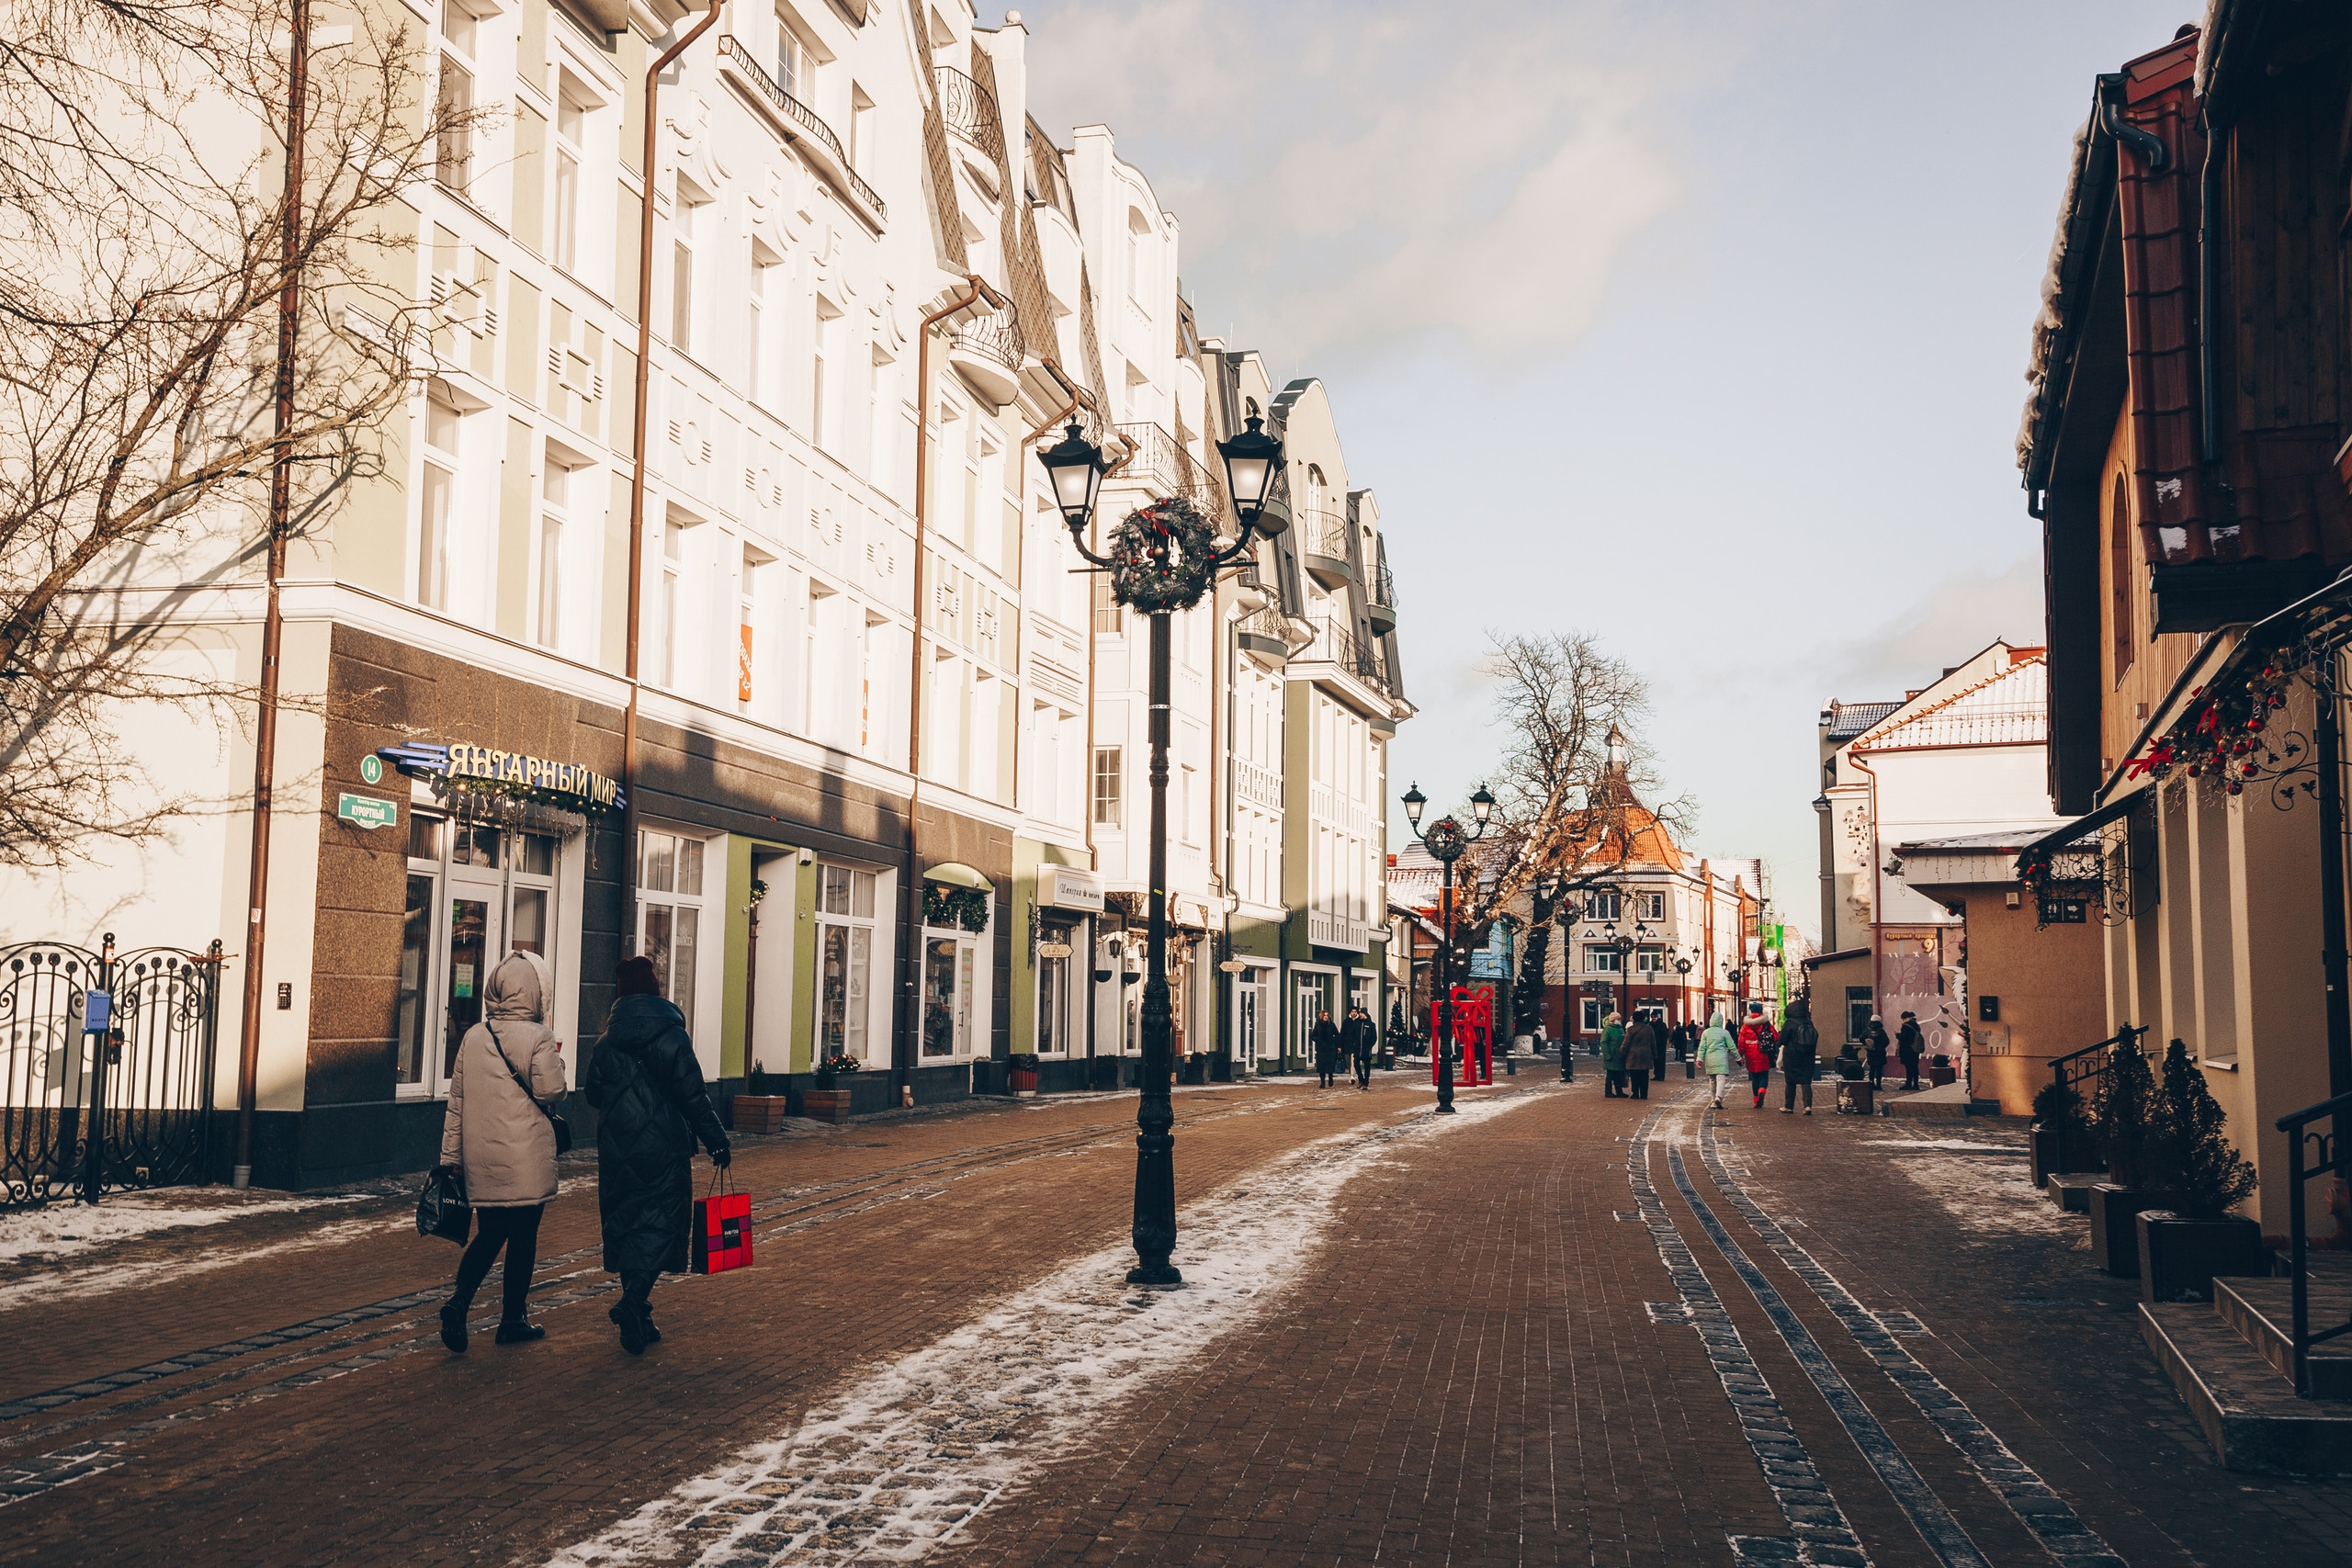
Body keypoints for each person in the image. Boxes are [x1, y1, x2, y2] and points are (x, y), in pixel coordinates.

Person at [583, 954, 731, 1355]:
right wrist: (717, 1139)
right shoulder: (673, 1038)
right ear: (655, 992)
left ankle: (640, 1314)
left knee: (628, 1227)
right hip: (664, 1150)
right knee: (664, 1227)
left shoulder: (605, 1044)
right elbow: (693, 1096)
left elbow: (593, 1094)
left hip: (618, 1151)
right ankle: (633, 1304)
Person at [436, 951, 567, 1353]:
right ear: (534, 991)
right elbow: (552, 1090)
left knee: (491, 1234)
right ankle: (512, 1319)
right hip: (525, 1159)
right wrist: (557, 1060)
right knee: (523, 1239)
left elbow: (457, 1102)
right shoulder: (538, 1036)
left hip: (481, 1158)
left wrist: (451, 1158)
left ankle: (459, 1303)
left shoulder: (474, 1036)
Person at [1778, 997, 1820, 1115]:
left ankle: (1788, 1106)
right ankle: (1807, 1106)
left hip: (1792, 1056)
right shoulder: (1808, 1022)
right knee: (1806, 1081)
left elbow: (1782, 1040)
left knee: (1790, 1081)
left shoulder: (1789, 1023)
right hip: (1808, 1056)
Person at [1738, 1003, 1777, 1111]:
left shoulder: (1745, 1026)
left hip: (1750, 1054)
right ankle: (1762, 1091)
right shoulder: (1766, 1024)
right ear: (1761, 1011)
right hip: (1764, 1053)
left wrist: (1740, 1054)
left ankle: (1756, 1100)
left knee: (1754, 1078)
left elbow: (1741, 1042)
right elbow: (1775, 1036)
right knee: (1764, 1076)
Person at [1697, 1010, 1737, 1109]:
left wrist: (1699, 1059)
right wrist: (1738, 1058)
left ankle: (1713, 1101)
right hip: (1721, 1059)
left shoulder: (1706, 1033)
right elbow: (1732, 1046)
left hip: (1710, 1059)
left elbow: (1702, 1047)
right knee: (1721, 1078)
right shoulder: (1725, 1033)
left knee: (1712, 1080)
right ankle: (1718, 1097)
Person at [1342, 1005, 1377, 1089]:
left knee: (1367, 1066)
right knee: (1356, 1064)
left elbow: (1374, 1037)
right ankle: (1361, 1079)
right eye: (1360, 1013)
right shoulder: (1357, 1024)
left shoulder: (1371, 1024)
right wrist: (1353, 1044)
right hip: (1357, 1049)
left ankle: (1366, 1082)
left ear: (1365, 1014)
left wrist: (1369, 1046)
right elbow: (1352, 1035)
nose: (1360, 1014)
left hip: (1366, 1050)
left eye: (1362, 1013)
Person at [1623, 1013, 1656, 1101]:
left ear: (1634, 1019)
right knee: (1645, 1076)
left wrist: (1622, 1053)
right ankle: (1644, 1094)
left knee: (1634, 1076)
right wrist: (1654, 1055)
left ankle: (1635, 1093)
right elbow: (1653, 1043)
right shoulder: (1649, 1029)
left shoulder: (1631, 1029)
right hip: (1646, 1055)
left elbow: (1626, 1043)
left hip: (1633, 1056)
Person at [1311, 1009, 1341, 1089]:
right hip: (1321, 1049)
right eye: (1324, 1015)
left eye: (1327, 1015)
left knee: (1330, 1065)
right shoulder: (1318, 1025)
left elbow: (1337, 1035)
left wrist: (1333, 1040)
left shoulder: (1331, 1025)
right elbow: (1313, 1036)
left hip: (1330, 1048)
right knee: (1321, 1066)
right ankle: (1322, 1082)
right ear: (1321, 1016)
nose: (1326, 1017)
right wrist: (1318, 1039)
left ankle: (1330, 1078)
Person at [1600, 1012, 1627, 1098]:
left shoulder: (1620, 1028)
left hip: (1619, 1056)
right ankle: (1608, 1092)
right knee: (1610, 1074)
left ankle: (1619, 1091)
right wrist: (1607, 1055)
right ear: (1613, 1020)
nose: (1620, 1020)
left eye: (1620, 1019)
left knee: (1618, 1074)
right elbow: (1603, 1042)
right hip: (1612, 1056)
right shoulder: (1608, 1029)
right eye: (1618, 1019)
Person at [1896, 1011, 1925, 1090]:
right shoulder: (1916, 1025)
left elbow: (1904, 1037)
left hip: (1907, 1050)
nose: (1902, 1020)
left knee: (1909, 1068)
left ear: (1905, 1018)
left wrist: (1897, 1035)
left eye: (1902, 1019)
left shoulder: (1906, 1026)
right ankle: (1916, 1084)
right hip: (1915, 1049)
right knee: (1915, 1067)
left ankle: (1908, 1084)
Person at [1863, 1015, 1891, 1089]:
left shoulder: (1867, 1030)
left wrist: (1868, 1044)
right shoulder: (1881, 1031)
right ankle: (1878, 1085)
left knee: (1872, 1069)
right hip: (1880, 1053)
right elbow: (1886, 1041)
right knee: (1879, 1070)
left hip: (1871, 1052)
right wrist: (1881, 1046)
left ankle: (1871, 1084)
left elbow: (1861, 1038)